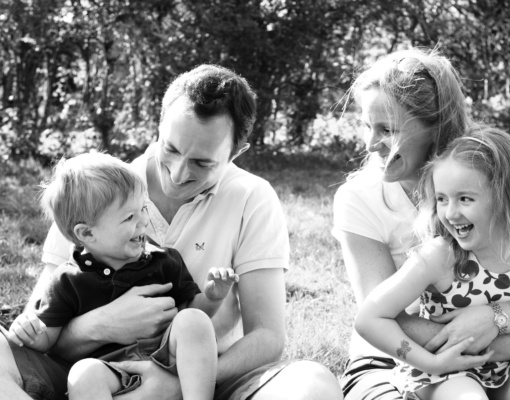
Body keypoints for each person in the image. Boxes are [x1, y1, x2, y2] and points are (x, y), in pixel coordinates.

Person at [0, 64, 343, 400]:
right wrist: (102, 324)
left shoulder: (252, 198)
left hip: (207, 381)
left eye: (202, 163)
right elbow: (40, 332)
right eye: (172, 149)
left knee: (314, 384)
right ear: (159, 124)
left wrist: (184, 378)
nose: (178, 174)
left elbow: (267, 336)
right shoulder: (96, 191)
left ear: (236, 152)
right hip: (85, 381)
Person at [332, 47, 510, 399]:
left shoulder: (494, 177)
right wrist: (494, 344)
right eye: (366, 126)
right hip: (393, 358)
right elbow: (384, 315)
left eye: (387, 129)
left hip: (506, 358)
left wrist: (496, 317)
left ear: (435, 126)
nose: (370, 145)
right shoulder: (360, 198)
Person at [354, 125, 510, 399]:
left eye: (465, 199)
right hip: (448, 372)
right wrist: (429, 362)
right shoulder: (439, 256)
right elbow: (369, 317)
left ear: (507, 197)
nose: (450, 213)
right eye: (442, 199)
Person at [7, 152, 239, 400]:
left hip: (164, 359)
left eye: (142, 209)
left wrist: (213, 298)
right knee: (83, 374)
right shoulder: (68, 280)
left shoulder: (163, 261)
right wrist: (31, 331)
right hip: (110, 373)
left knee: (193, 319)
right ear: (87, 233)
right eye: (129, 217)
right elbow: (49, 342)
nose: (143, 222)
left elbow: (190, 312)